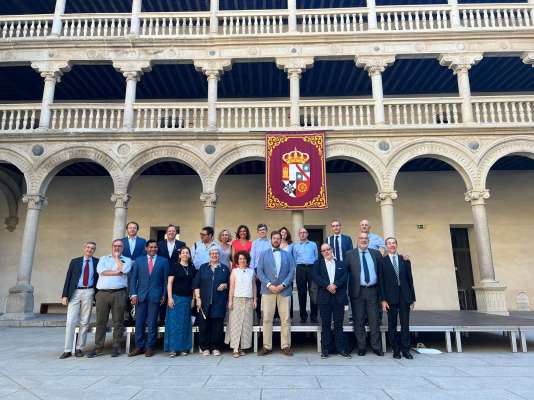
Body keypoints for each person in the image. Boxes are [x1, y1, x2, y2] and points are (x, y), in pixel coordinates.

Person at [87, 239, 132, 358]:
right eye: (115, 246)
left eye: (120, 246)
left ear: (123, 248)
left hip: (119, 293)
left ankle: (116, 346)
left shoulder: (127, 260)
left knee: (118, 321)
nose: (117, 248)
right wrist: (117, 273)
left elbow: (124, 270)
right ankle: (98, 347)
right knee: (101, 321)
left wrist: (117, 259)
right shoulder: (103, 258)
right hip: (102, 293)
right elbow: (100, 271)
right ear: (112, 246)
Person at [256, 230, 296, 356]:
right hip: (268, 291)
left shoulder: (288, 254)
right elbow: (260, 272)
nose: (276, 240)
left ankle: (285, 346)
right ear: (271, 240)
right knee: (267, 319)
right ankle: (267, 346)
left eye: (278, 238)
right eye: (274, 238)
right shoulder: (263, 254)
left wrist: (283, 285)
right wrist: (269, 285)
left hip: (284, 291)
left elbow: (292, 271)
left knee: (285, 319)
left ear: (281, 240)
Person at [128, 240, 169, 357]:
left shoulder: (163, 261)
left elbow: (166, 280)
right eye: (150, 247)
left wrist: (164, 295)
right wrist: (133, 294)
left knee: (152, 322)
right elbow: (133, 279)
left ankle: (150, 347)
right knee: (139, 322)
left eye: (155, 247)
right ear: (146, 248)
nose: (153, 249)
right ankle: (139, 346)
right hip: (141, 296)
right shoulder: (138, 261)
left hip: (155, 296)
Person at [346, 232, 384, 356]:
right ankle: (361, 347)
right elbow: (344, 273)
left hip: (373, 291)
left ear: (368, 240)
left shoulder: (376, 254)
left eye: (366, 238)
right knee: (359, 320)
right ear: (358, 240)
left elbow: (382, 272)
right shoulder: (350, 254)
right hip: (357, 291)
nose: (363, 240)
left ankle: (376, 346)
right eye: (361, 238)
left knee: (374, 320)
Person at [59, 241, 99, 359]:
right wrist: (65, 295)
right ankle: (67, 349)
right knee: (70, 321)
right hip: (75, 292)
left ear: (94, 250)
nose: (90, 250)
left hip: (89, 291)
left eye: (92, 248)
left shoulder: (97, 262)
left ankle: (79, 348)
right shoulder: (75, 261)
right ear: (84, 248)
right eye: (88, 247)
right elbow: (68, 278)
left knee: (84, 321)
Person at [311, 243, 351, 359]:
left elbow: (344, 276)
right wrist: (328, 286)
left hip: (338, 297)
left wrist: (335, 286)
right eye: (324, 250)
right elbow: (316, 276)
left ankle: (341, 349)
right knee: (326, 325)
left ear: (331, 250)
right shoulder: (318, 264)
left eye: (328, 249)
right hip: (324, 298)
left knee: (339, 325)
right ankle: (326, 349)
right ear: (321, 253)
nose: (326, 252)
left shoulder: (340, 264)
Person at [379, 237, 416, 360]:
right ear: (386, 246)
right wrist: (383, 300)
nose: (391, 245)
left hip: (405, 296)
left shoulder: (404, 260)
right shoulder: (382, 261)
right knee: (392, 324)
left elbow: (410, 279)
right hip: (390, 298)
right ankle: (396, 350)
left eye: (393, 243)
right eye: (389, 243)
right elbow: (381, 282)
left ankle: (406, 350)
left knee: (405, 324)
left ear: (396, 245)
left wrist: (412, 298)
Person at [193, 248, 230, 356]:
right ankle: (204, 347)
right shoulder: (203, 267)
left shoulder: (224, 268)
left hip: (219, 301)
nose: (214, 255)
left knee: (217, 326)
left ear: (219, 255)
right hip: (204, 302)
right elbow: (196, 284)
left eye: (216, 254)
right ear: (209, 255)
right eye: (212, 253)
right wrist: (198, 298)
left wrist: (225, 285)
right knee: (204, 325)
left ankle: (215, 347)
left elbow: (230, 283)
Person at [165, 247, 196, 357]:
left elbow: (194, 285)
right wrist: (169, 298)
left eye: (187, 253)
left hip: (187, 299)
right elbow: (169, 283)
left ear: (189, 255)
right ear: (179, 255)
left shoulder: (192, 268)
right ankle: (173, 349)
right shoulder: (175, 266)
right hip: (175, 298)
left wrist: (193, 298)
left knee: (185, 324)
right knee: (173, 324)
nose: (185, 254)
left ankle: (183, 348)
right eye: (183, 253)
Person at [225, 251, 257, 357]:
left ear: (247, 260)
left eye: (244, 258)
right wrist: (230, 301)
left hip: (248, 300)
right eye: (240, 259)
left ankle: (243, 347)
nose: (242, 260)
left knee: (246, 324)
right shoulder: (234, 271)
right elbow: (232, 287)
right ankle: (235, 348)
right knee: (235, 324)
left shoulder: (251, 272)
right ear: (237, 261)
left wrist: (255, 300)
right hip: (237, 299)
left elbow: (254, 287)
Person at [292, 228, 319, 323]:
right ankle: (303, 315)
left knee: (313, 292)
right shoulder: (295, 246)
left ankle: (314, 315)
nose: (302, 234)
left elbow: (316, 257)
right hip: (300, 269)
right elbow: (294, 259)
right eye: (300, 233)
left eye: (304, 233)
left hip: (312, 268)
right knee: (301, 293)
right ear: (299, 235)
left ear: (307, 234)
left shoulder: (313, 244)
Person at [250, 223, 271, 320]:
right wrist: (254, 272)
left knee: (267, 293)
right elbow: (252, 258)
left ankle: (268, 315)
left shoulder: (270, 242)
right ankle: (258, 315)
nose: (262, 231)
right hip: (257, 270)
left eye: (264, 230)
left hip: (268, 271)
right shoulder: (255, 243)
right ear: (258, 232)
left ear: (266, 231)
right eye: (260, 230)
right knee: (257, 293)